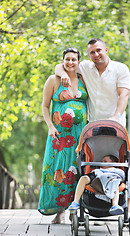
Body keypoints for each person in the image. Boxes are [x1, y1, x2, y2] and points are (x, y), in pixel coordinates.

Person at [55, 38, 130, 212]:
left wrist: (116, 116)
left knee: (121, 164)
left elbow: (124, 95)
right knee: (93, 164)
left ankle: (126, 209)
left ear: (106, 49)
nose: (96, 55)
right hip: (93, 126)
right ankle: (94, 206)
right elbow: (62, 65)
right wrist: (62, 75)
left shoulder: (120, 69)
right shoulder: (85, 67)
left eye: (99, 50)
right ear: (89, 55)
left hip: (116, 126)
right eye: (92, 52)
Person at [38, 47, 88, 224]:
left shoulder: (83, 78)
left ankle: (77, 208)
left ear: (78, 62)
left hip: (80, 134)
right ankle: (59, 212)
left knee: (78, 169)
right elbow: (45, 106)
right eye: (67, 59)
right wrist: (50, 126)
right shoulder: (54, 80)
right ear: (62, 60)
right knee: (58, 170)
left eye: (74, 59)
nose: (70, 63)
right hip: (59, 135)